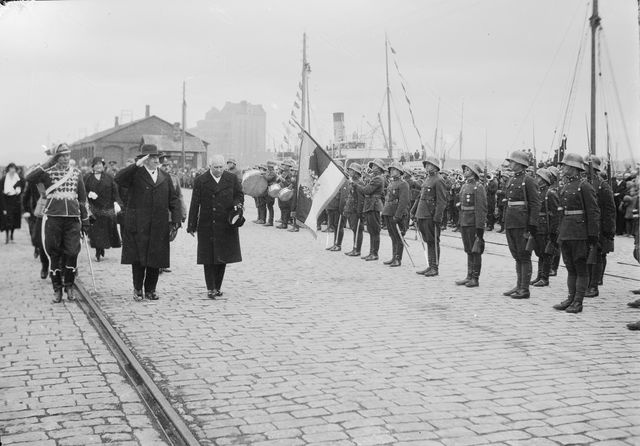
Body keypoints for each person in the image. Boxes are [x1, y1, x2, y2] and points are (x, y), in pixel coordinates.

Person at [115, 144, 181, 301]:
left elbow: (173, 199)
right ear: (144, 160)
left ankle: (151, 289)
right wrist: (136, 165)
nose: (155, 160)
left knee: (156, 259)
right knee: (138, 260)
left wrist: (176, 220)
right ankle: (137, 288)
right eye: (151, 158)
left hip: (159, 225)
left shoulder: (164, 176)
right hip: (139, 224)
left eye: (156, 157)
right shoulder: (135, 174)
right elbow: (118, 178)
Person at [25, 144, 90, 302]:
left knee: (73, 252)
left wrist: (85, 219)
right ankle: (57, 289)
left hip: (73, 218)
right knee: (54, 253)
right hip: (54, 217)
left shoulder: (76, 173)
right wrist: (48, 163)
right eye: (62, 156)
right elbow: (29, 178)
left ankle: (69, 285)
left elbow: (82, 198)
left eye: (67, 155)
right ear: (56, 157)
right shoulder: (48, 173)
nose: (66, 158)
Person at [187, 155, 244, 299]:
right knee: (208, 257)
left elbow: (239, 195)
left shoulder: (231, 179)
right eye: (215, 167)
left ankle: (218, 286)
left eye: (221, 167)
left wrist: (238, 204)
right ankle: (210, 288)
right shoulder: (201, 180)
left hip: (226, 223)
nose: (219, 170)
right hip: (207, 224)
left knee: (222, 256)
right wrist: (191, 225)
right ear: (210, 167)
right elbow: (195, 204)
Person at [552, 153, 600, 314]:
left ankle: (578, 301)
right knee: (570, 268)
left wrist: (593, 235)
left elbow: (593, 212)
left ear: (573, 168)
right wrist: (559, 232)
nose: (562, 168)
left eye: (565, 165)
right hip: (567, 232)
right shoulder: (565, 186)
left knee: (580, 268)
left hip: (580, 233)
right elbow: (561, 212)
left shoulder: (584, 186)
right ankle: (571, 298)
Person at [502, 150, 541, 300]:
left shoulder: (529, 180)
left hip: (522, 223)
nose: (510, 164)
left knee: (524, 256)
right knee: (517, 255)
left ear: (520, 163)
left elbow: (535, 204)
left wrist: (532, 225)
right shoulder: (512, 179)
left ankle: (524, 288)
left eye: (512, 161)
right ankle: (519, 285)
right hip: (512, 221)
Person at [584, 155, 616, 298]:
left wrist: (609, 230)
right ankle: (588, 282)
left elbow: (610, 210)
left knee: (596, 255)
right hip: (585, 225)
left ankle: (593, 286)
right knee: (586, 255)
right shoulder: (584, 183)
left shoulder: (603, 186)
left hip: (599, 226)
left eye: (586, 166)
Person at [411, 156, 447, 276]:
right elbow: (420, 197)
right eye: (426, 164)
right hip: (423, 214)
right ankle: (430, 265)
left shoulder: (438, 180)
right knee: (428, 241)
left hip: (431, 215)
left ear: (435, 167)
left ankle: (434, 267)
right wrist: (414, 211)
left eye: (429, 164)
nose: (426, 166)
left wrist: (437, 218)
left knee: (433, 241)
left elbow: (441, 201)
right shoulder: (428, 179)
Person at [455, 162, 487, 287]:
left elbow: (481, 208)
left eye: (468, 169)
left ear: (473, 172)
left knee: (475, 250)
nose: (465, 171)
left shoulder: (478, 187)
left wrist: (480, 227)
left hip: (473, 222)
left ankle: (475, 278)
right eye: (465, 169)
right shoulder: (464, 186)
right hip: (464, 220)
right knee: (468, 249)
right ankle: (469, 276)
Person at [84, 157, 122, 261]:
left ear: (103, 165)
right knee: (96, 231)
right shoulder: (87, 178)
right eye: (96, 164)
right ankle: (98, 250)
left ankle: (102, 247)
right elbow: (82, 191)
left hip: (107, 207)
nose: (98, 166)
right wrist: (89, 194)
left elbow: (115, 190)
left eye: (100, 164)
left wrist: (116, 202)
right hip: (94, 209)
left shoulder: (109, 177)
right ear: (93, 166)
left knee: (105, 230)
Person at [529, 168, 559, 287]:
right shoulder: (537, 192)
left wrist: (553, 230)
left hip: (546, 227)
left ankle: (545, 278)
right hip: (538, 227)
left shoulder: (550, 194)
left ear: (544, 180)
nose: (536, 179)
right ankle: (539, 276)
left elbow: (556, 214)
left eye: (539, 177)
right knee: (540, 252)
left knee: (546, 254)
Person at [353, 159, 386, 261]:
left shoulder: (378, 179)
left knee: (375, 231)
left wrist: (356, 185)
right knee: (371, 230)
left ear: (380, 169)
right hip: (371, 205)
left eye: (375, 166)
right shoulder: (375, 178)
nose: (373, 168)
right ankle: (371, 252)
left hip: (373, 205)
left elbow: (366, 190)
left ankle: (374, 253)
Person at [381, 161, 410, 267]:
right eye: (391, 170)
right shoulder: (391, 183)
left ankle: (398, 258)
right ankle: (394, 257)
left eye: (395, 170)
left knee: (398, 237)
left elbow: (403, 202)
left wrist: (398, 215)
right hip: (389, 212)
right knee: (392, 236)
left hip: (397, 214)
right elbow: (387, 199)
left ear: (400, 172)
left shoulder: (403, 184)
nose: (392, 171)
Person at [343, 163, 365, 257]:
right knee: (354, 229)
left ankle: (357, 250)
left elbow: (360, 199)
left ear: (356, 172)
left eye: (351, 170)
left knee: (357, 230)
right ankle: (354, 248)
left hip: (356, 210)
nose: (350, 172)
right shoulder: (351, 182)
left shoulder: (359, 183)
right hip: (351, 209)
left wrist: (360, 212)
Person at [0, 163, 25, 244]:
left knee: (14, 218)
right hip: (6, 200)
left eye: (14, 168)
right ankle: (7, 236)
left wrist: (18, 193)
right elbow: (1, 191)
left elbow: (22, 187)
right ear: (8, 169)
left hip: (15, 200)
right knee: (7, 218)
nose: (12, 170)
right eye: (11, 168)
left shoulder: (18, 179)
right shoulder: (4, 179)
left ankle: (12, 235)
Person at [276, 160, 295, 229]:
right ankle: (283, 222)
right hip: (281, 191)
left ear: (288, 166)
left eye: (285, 165)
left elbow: (289, 184)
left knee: (285, 208)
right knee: (281, 207)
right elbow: (277, 181)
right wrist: (279, 178)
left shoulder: (290, 174)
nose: (283, 166)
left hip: (286, 193)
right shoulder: (283, 173)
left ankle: (284, 224)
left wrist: (283, 180)